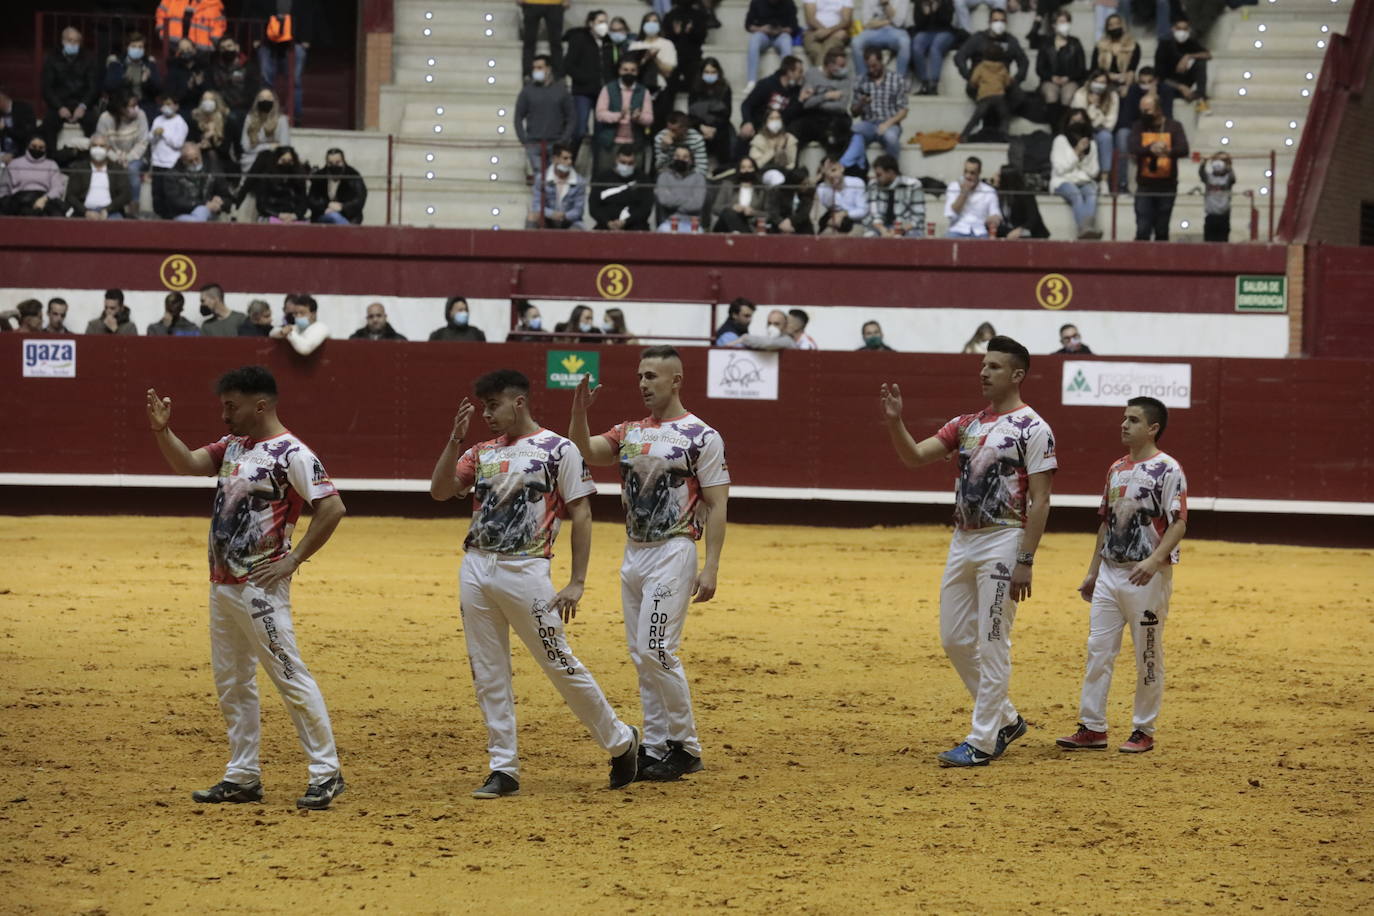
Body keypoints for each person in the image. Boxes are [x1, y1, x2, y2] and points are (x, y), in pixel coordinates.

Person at [430, 371, 643, 797]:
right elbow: (440, 491)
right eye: (484, 407)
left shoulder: (558, 449)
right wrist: (454, 441)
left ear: (519, 403)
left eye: (494, 406)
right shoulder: (480, 451)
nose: (487, 415)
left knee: (558, 662)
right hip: (476, 566)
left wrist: (577, 581)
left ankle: (621, 741)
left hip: (527, 570)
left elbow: (581, 513)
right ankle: (503, 767)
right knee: (488, 672)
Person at [145, 366, 347, 809]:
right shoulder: (235, 445)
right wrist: (164, 432)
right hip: (222, 583)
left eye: (231, 406)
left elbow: (331, 508)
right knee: (233, 682)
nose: (224, 415)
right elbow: (190, 464)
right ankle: (242, 776)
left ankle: (326, 772)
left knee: (289, 675)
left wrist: (293, 560)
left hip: (260, 587)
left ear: (260, 405)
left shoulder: (292, 453)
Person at [879, 335, 1055, 766]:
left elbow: (1041, 501)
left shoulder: (1034, 427)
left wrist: (1025, 561)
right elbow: (916, 457)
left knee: (993, 640)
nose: (983, 372)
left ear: (1016, 375)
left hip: (1004, 538)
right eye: (983, 365)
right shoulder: (967, 424)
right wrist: (895, 422)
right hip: (963, 539)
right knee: (955, 639)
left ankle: (981, 740)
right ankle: (1007, 719)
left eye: (994, 366)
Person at [568, 347, 730, 780]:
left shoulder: (702, 436)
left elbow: (717, 504)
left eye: (652, 376)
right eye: (640, 376)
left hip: (674, 550)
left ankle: (686, 745)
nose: (643, 383)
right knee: (643, 655)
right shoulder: (629, 431)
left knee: (657, 649)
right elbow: (584, 450)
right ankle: (656, 746)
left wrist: (710, 565)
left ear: (676, 381)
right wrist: (579, 412)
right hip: (634, 552)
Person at [1058, 397, 1187, 755]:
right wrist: (1093, 570)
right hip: (1110, 574)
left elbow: (1179, 524)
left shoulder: (1168, 468)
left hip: (1146, 576)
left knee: (1147, 652)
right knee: (1098, 650)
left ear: (1152, 428)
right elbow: (1106, 523)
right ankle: (1092, 727)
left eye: (1132, 420)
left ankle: (1143, 729)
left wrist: (1154, 560)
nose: (1123, 425)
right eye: (1123, 418)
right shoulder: (1116, 468)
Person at [563, 10, 620, 160]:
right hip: (583, 91)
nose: (604, 25)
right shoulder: (579, 39)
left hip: (603, 93)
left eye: (605, 22)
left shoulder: (609, 42)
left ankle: (598, 169)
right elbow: (568, 65)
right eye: (600, 21)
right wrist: (586, 78)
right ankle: (570, 161)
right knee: (580, 130)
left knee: (601, 133)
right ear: (591, 23)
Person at [1130, 93, 1187, 241]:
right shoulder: (1138, 126)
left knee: (1162, 228)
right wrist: (1150, 149)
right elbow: (1133, 147)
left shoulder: (1174, 126)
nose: (1144, 114)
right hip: (1145, 185)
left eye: (1147, 110)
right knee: (1142, 227)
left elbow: (1183, 149)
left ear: (1158, 110)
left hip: (1167, 185)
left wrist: (1168, 151)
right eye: (1142, 110)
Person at [840, 50, 909, 172]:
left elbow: (903, 110)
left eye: (874, 66)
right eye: (868, 67)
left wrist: (887, 124)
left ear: (882, 62)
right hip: (869, 124)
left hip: (890, 123)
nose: (871, 70)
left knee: (891, 138)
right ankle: (846, 166)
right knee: (855, 133)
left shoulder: (896, 79)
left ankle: (892, 170)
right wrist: (861, 103)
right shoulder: (860, 81)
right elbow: (854, 112)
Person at [246, 0, 314, 121]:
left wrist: (306, 38)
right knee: (266, 81)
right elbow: (257, 13)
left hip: (295, 43)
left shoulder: (303, 3)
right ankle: (264, 114)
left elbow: (308, 15)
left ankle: (294, 116)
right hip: (267, 42)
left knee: (295, 81)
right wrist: (257, 38)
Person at [40, 27, 100, 155]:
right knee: (48, 124)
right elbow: (47, 88)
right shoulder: (52, 59)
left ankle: (88, 158)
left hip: (82, 104)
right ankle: (53, 158)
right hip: (59, 104)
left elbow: (93, 87)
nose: (73, 44)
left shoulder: (88, 59)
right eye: (70, 40)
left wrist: (83, 106)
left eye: (76, 41)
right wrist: (59, 107)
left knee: (93, 122)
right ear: (63, 41)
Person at [954, 9, 1029, 106]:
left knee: (1019, 96)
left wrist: (1016, 79)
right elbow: (959, 57)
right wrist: (969, 76)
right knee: (989, 100)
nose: (999, 24)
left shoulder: (1011, 40)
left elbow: (1023, 61)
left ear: (1006, 23)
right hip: (980, 83)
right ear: (989, 22)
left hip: (1002, 83)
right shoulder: (978, 38)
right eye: (995, 20)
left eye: (1002, 21)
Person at [516, 55, 575, 179]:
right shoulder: (527, 91)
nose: (536, 71)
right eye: (534, 68)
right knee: (539, 180)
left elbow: (571, 117)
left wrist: (563, 140)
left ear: (548, 69)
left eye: (539, 67)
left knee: (555, 179)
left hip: (556, 144)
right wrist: (524, 140)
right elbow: (518, 117)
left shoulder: (561, 90)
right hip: (534, 143)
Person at [593, 58, 655, 174]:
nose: (629, 73)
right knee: (606, 178)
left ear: (637, 72)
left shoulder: (643, 91)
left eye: (633, 70)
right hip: (610, 143)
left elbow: (649, 118)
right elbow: (600, 114)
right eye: (625, 70)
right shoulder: (608, 89)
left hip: (634, 143)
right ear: (619, 71)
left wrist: (638, 117)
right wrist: (619, 115)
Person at [96, 89, 150, 214]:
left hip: (135, 157)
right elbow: (102, 143)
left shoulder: (141, 115)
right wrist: (117, 159)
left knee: (132, 169)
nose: (136, 109)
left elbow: (142, 143)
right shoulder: (105, 119)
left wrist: (128, 158)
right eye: (132, 106)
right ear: (121, 108)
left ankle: (134, 207)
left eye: (136, 105)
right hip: (112, 156)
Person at [792, 47, 853, 157]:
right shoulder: (812, 74)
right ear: (830, 65)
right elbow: (806, 104)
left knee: (841, 130)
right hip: (813, 116)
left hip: (835, 117)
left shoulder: (845, 80)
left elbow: (841, 106)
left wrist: (817, 100)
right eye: (841, 66)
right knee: (796, 129)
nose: (844, 69)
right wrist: (826, 96)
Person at [1051, 119, 1102, 239]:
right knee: (1076, 194)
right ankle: (1085, 229)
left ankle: (1087, 229)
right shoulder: (1060, 140)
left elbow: (1094, 172)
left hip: (1084, 180)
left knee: (1092, 193)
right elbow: (1060, 170)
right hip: (1063, 180)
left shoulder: (1091, 144)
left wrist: (1083, 156)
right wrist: (1076, 152)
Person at [630, 12, 680, 129]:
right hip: (638, 91)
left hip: (660, 92)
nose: (651, 24)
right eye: (648, 21)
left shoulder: (667, 44)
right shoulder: (635, 45)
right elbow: (629, 71)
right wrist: (645, 58)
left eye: (655, 21)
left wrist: (655, 59)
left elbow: (668, 72)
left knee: (658, 126)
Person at [1037, 10, 1087, 126]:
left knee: (1067, 95)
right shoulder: (1046, 43)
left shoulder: (1075, 43)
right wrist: (1051, 77)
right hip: (1050, 80)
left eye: (1067, 22)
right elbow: (1039, 68)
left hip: (1071, 79)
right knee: (1051, 93)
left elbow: (1081, 68)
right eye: (1062, 22)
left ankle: (1064, 128)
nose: (1065, 25)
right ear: (1054, 25)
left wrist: (1068, 78)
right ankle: (1054, 130)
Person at [63, 135, 131, 219]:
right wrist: (86, 212)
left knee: (117, 226)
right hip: (83, 212)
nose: (98, 149)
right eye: (94, 146)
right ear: (89, 148)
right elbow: (70, 196)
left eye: (102, 146)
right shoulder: (79, 168)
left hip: (111, 212)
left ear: (108, 149)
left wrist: (107, 210)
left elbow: (125, 195)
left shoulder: (117, 169)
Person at [589, 143, 655, 231]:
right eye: (623, 162)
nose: (626, 166)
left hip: (635, 226)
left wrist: (625, 222)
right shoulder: (603, 177)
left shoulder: (643, 179)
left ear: (635, 162)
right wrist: (607, 222)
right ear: (616, 160)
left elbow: (645, 208)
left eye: (630, 163)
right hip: (605, 225)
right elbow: (594, 206)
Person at [1155, 17, 1211, 116]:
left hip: (1185, 79)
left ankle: (1200, 97)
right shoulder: (1164, 45)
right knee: (1165, 88)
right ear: (1173, 29)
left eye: (1185, 29)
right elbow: (1160, 76)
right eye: (1179, 28)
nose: (1182, 32)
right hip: (1169, 83)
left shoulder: (1190, 42)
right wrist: (1181, 87)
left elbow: (1207, 55)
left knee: (1201, 63)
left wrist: (1188, 56)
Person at [1070, 71, 1119, 184]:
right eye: (1096, 82)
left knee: (1106, 137)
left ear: (1107, 85)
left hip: (1102, 130)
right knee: (1087, 138)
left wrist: (1097, 111)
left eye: (1102, 82)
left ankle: (1104, 180)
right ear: (1090, 82)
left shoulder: (1113, 96)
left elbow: (1110, 125)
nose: (1099, 85)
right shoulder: (1081, 93)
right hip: (1081, 130)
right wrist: (1092, 107)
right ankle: (1085, 176)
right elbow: (1080, 122)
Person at [167, 141, 234, 221]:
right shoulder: (173, 175)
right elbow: (177, 202)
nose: (195, 163)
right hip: (184, 214)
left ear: (200, 155)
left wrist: (220, 201)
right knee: (200, 212)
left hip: (210, 213)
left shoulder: (212, 169)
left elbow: (227, 197)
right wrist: (205, 204)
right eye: (190, 161)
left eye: (197, 159)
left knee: (202, 212)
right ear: (183, 161)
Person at [0, 136, 67, 217]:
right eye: (34, 146)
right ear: (28, 146)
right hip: (19, 199)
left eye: (41, 147)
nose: (37, 149)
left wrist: (44, 199)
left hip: (44, 199)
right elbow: (4, 188)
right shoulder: (15, 163)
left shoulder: (51, 164)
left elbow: (58, 188)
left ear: (45, 149)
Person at [103, 32, 162, 122]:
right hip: (122, 104)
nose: (137, 49)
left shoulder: (150, 64)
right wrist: (124, 80)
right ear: (127, 47)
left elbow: (158, 90)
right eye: (134, 46)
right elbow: (108, 87)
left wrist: (147, 81)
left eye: (140, 47)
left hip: (144, 105)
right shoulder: (116, 63)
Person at [960, 43, 1012, 143]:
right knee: (1005, 117)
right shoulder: (1003, 68)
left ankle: (964, 135)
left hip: (985, 96)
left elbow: (973, 80)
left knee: (976, 118)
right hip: (999, 97)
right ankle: (1003, 136)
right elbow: (1007, 82)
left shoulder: (981, 67)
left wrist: (977, 86)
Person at [863, 154, 925, 238]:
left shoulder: (913, 185)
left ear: (890, 172)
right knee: (868, 237)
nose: (876, 178)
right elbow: (874, 214)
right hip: (881, 228)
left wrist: (899, 230)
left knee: (903, 238)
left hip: (907, 229)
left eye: (879, 175)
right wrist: (883, 230)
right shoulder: (873, 185)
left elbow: (918, 216)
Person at [688, 59, 735, 167]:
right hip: (699, 125)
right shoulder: (694, 88)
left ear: (718, 73)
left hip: (719, 127)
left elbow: (726, 114)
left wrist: (714, 128)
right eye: (707, 72)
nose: (710, 75)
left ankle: (722, 170)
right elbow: (691, 112)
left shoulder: (725, 89)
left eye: (713, 72)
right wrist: (701, 127)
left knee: (725, 136)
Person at [150, 93, 190, 218]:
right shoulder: (158, 120)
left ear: (176, 106)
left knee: (169, 194)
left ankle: (170, 219)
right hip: (157, 162)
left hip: (171, 164)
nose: (165, 107)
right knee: (157, 194)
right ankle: (159, 216)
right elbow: (150, 139)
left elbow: (178, 143)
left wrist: (164, 133)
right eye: (163, 104)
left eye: (168, 104)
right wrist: (155, 134)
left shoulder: (181, 123)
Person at [244, 145, 309, 223]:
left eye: (290, 161)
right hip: (273, 215)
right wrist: (279, 215)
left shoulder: (298, 179)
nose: (287, 164)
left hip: (293, 216)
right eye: (283, 160)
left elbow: (303, 202)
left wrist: (294, 215)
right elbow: (262, 205)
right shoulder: (267, 178)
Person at [745, 0, 799, 87]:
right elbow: (748, 26)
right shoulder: (756, 2)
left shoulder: (789, 3)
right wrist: (761, 29)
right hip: (763, 34)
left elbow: (794, 28)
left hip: (781, 35)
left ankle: (788, 81)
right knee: (754, 39)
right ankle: (751, 82)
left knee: (787, 41)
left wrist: (780, 30)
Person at [533, 143, 586, 229]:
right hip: (548, 219)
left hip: (569, 221)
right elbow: (536, 206)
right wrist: (552, 214)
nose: (570, 162)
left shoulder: (580, 182)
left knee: (578, 229)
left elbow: (578, 210)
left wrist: (564, 216)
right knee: (533, 217)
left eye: (570, 158)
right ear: (555, 159)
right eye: (565, 158)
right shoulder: (541, 179)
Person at [910, 0, 958, 96]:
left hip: (945, 31)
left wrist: (937, 9)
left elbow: (947, 21)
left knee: (935, 47)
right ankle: (925, 82)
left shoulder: (946, 2)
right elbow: (918, 24)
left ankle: (933, 84)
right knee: (916, 46)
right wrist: (925, 13)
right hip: (926, 32)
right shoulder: (920, 2)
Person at [655, 144, 707, 232]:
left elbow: (697, 205)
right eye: (677, 156)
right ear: (673, 158)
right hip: (668, 223)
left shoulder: (699, 178)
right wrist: (688, 200)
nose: (680, 159)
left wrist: (672, 200)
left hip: (692, 224)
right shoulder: (664, 177)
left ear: (691, 160)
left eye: (685, 157)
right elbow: (664, 200)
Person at [945, 156, 1001, 238]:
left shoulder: (989, 191)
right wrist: (964, 193)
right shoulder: (954, 187)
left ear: (979, 173)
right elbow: (951, 213)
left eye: (972, 173)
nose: (968, 176)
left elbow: (995, 215)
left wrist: (993, 219)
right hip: (957, 230)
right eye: (965, 172)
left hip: (980, 232)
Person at [853, 0, 912, 75]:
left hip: (895, 31)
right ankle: (862, 79)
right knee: (856, 42)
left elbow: (898, 23)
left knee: (904, 42)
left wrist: (886, 3)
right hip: (873, 31)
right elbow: (866, 23)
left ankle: (900, 80)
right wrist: (889, 21)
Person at [308, 148, 367, 225]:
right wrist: (327, 205)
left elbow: (360, 199)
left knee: (336, 217)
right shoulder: (320, 176)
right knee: (334, 216)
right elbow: (312, 199)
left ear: (343, 161)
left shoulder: (353, 175)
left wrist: (342, 207)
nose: (334, 166)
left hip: (349, 216)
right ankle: (349, 232)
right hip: (324, 214)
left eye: (337, 162)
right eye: (330, 163)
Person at [711, 156, 767, 233]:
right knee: (729, 213)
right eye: (743, 168)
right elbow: (716, 208)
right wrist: (733, 207)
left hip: (750, 224)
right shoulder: (728, 185)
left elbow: (768, 214)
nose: (746, 170)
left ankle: (741, 235)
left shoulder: (762, 189)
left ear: (755, 169)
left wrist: (753, 212)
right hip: (725, 224)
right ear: (739, 170)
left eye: (750, 167)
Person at [992, 165, 1050, 239]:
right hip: (1009, 232)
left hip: (1030, 233)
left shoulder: (1025, 195)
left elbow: (1033, 218)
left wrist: (1020, 230)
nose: (995, 178)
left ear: (1007, 179)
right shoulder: (998, 194)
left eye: (999, 176)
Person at [240, 89, 290, 173]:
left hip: (273, 159)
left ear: (274, 101)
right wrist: (269, 146)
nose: (265, 100)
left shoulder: (282, 120)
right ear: (257, 101)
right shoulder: (249, 119)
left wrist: (258, 147)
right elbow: (246, 147)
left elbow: (283, 145)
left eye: (268, 97)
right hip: (250, 159)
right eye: (261, 97)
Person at [190, 89, 237, 175]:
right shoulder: (195, 121)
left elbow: (225, 149)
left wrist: (212, 138)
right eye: (205, 100)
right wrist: (201, 145)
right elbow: (190, 144)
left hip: (221, 159)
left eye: (210, 100)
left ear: (216, 103)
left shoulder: (226, 121)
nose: (207, 102)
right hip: (199, 159)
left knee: (212, 154)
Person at [518, 0, 566, 81]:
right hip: (531, 3)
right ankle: (527, 74)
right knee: (529, 42)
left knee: (556, 42)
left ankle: (559, 76)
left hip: (555, 4)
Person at [1094, 14, 1139, 99]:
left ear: (1122, 25)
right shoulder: (1100, 46)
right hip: (1105, 80)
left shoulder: (1132, 45)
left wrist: (1126, 86)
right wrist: (1109, 77)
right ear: (1107, 28)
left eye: (1117, 24)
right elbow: (1095, 68)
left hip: (1125, 80)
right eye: (1111, 25)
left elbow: (1132, 69)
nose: (1115, 27)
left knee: (1129, 92)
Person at [155, 0, 227, 53]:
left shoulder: (214, 4)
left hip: (201, 47)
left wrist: (214, 39)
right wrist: (161, 28)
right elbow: (161, 12)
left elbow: (220, 24)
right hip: (172, 42)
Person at [654, 111, 709, 176]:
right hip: (669, 177)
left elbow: (702, 168)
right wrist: (664, 149)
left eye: (674, 130)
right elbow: (659, 168)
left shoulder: (696, 138)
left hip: (691, 176)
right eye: (669, 129)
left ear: (684, 129)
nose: (670, 133)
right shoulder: (660, 137)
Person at [801, 0, 854, 67]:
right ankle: (825, 73)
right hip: (814, 31)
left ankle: (818, 72)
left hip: (837, 32)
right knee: (815, 51)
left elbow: (846, 21)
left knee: (831, 45)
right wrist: (823, 31)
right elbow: (810, 19)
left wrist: (829, 31)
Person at [0, 86, 40, 165]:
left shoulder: (23, 109)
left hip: (20, 154)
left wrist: (5, 129)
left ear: (2, 99)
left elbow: (26, 136)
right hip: (3, 154)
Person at [1201, 152, 1234, 243]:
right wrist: (1204, 162)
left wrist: (1228, 163)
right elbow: (1201, 173)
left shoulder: (1228, 178)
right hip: (1210, 215)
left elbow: (1232, 176)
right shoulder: (1208, 177)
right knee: (1209, 242)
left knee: (1223, 241)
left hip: (1224, 216)